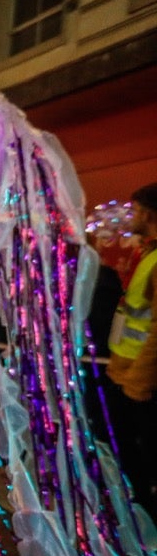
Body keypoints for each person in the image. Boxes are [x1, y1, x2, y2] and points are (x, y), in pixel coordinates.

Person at [107, 182, 157, 519]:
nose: (132, 217)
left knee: (148, 455)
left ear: (151, 214)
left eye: (137, 210)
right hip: (127, 372)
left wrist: (139, 381)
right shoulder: (149, 255)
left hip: (142, 381)